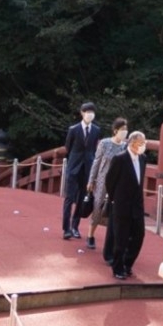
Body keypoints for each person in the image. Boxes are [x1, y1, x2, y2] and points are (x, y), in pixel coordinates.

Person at [104, 130, 149, 280]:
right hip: (121, 205)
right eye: (140, 143)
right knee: (121, 239)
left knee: (139, 236)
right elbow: (110, 181)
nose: (143, 146)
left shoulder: (143, 159)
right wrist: (115, 199)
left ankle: (127, 264)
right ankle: (117, 268)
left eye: (144, 143)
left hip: (137, 205)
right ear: (131, 143)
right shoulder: (120, 159)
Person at [85, 117, 130, 253]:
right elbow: (96, 162)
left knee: (114, 210)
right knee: (98, 206)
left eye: (126, 129)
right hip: (102, 179)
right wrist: (91, 180)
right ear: (115, 130)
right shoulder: (104, 143)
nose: (125, 132)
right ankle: (90, 234)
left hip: (118, 182)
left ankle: (111, 240)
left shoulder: (125, 146)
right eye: (122, 129)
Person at [60, 102, 101, 239]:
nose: (90, 114)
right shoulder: (73, 129)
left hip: (87, 167)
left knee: (82, 198)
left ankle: (75, 226)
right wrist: (74, 159)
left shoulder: (96, 130)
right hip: (74, 166)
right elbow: (68, 147)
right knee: (69, 198)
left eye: (92, 112)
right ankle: (66, 228)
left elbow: (94, 149)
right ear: (82, 113)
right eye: (87, 111)